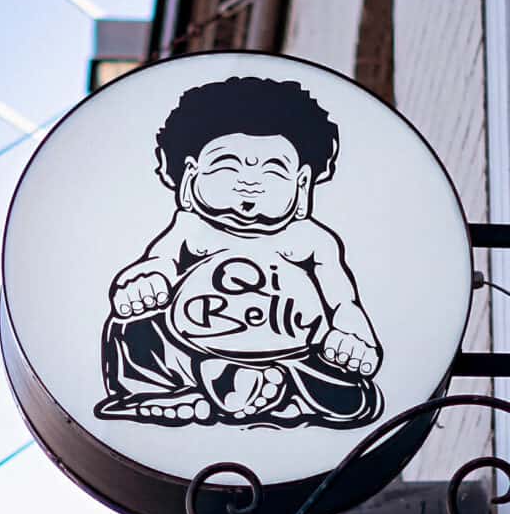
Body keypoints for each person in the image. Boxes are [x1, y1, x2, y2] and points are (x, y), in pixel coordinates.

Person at [93, 76, 383, 430]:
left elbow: (342, 300)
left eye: (273, 169)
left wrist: (352, 334)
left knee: (341, 378)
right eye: (227, 165)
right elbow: (159, 262)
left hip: (293, 356)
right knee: (132, 325)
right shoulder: (190, 229)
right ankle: (194, 389)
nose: (249, 182)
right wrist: (142, 283)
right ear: (190, 176)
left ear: (302, 183)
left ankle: (252, 388)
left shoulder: (311, 240)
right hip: (192, 352)